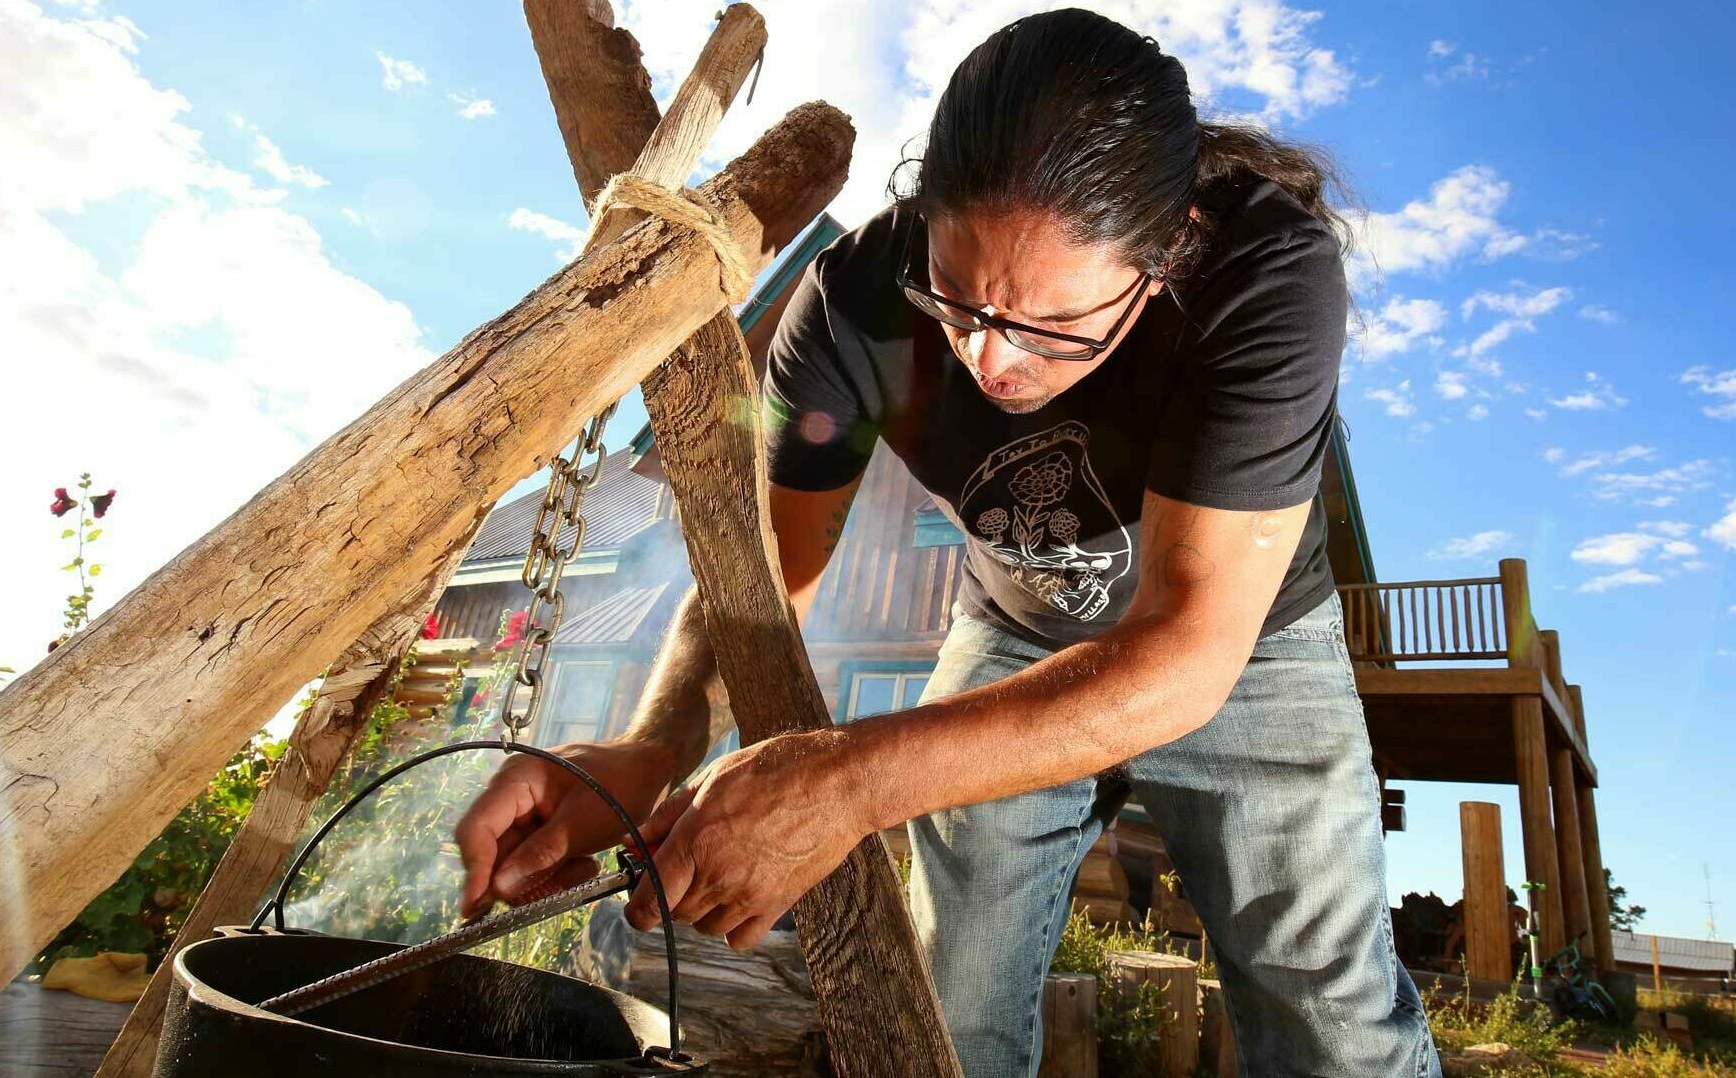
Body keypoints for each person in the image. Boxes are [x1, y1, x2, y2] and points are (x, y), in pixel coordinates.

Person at [455, 9, 1437, 1076]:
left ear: (1165, 254)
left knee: (1326, 1010)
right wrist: (655, 742)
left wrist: (848, 781)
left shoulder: (1263, 271)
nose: (989, 361)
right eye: (957, 300)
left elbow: (1186, 650)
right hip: (1012, 626)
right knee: (947, 987)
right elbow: (761, 585)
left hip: (1243, 647)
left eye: (1050, 325)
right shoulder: (852, 306)